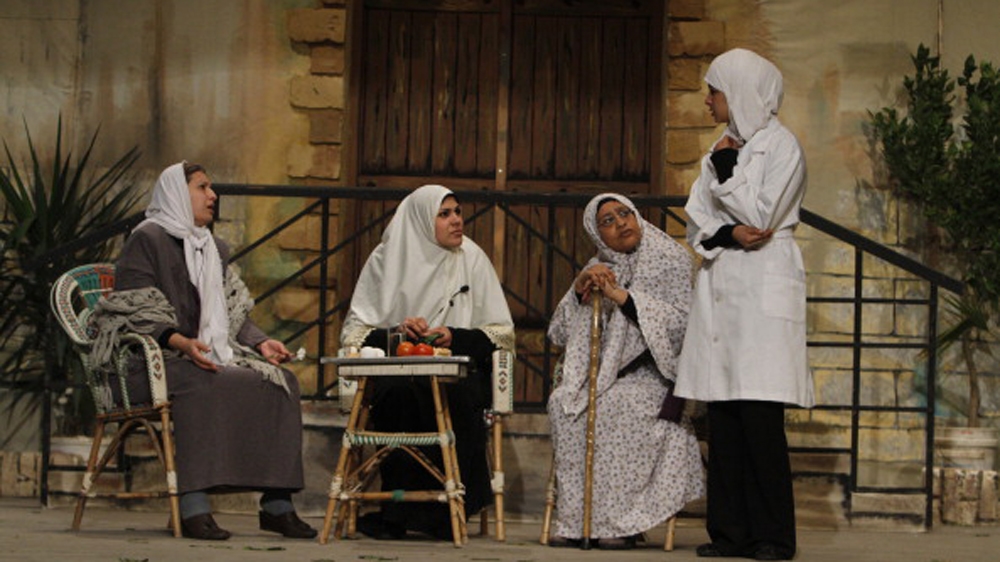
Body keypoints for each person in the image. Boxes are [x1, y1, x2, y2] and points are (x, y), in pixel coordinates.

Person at [92, 162, 316, 541]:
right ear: (177, 193)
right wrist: (178, 341)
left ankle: (277, 505)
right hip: (146, 363)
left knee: (282, 383)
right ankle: (193, 505)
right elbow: (132, 309)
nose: (213, 196)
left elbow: (230, 311)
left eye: (211, 188)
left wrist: (261, 342)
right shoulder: (147, 239)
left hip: (201, 358)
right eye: (202, 187)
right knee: (202, 381)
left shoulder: (213, 248)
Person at [675, 48, 814, 561]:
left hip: (763, 285)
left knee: (759, 421)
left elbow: (763, 215)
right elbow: (698, 219)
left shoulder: (782, 147)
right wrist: (728, 232)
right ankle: (729, 533)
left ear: (738, 92)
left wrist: (728, 174)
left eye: (713, 92)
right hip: (724, 281)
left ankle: (772, 536)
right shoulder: (719, 149)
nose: (708, 101)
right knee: (726, 419)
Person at [340, 184, 515, 540]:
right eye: (444, 214)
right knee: (396, 394)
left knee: (454, 395)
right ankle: (399, 511)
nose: (456, 221)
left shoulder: (472, 257)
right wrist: (398, 334)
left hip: (457, 371)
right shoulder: (385, 259)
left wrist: (454, 336)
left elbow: (500, 334)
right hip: (398, 370)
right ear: (420, 220)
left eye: (457, 212)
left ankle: (450, 510)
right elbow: (355, 333)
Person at [546, 193, 704, 550]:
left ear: (637, 217)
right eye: (608, 221)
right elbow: (558, 333)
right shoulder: (596, 267)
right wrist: (579, 289)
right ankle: (575, 521)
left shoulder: (670, 259)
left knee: (620, 406)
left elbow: (684, 326)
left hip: (656, 376)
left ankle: (620, 523)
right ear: (597, 234)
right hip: (601, 378)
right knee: (563, 404)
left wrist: (625, 299)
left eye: (624, 214)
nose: (620, 223)